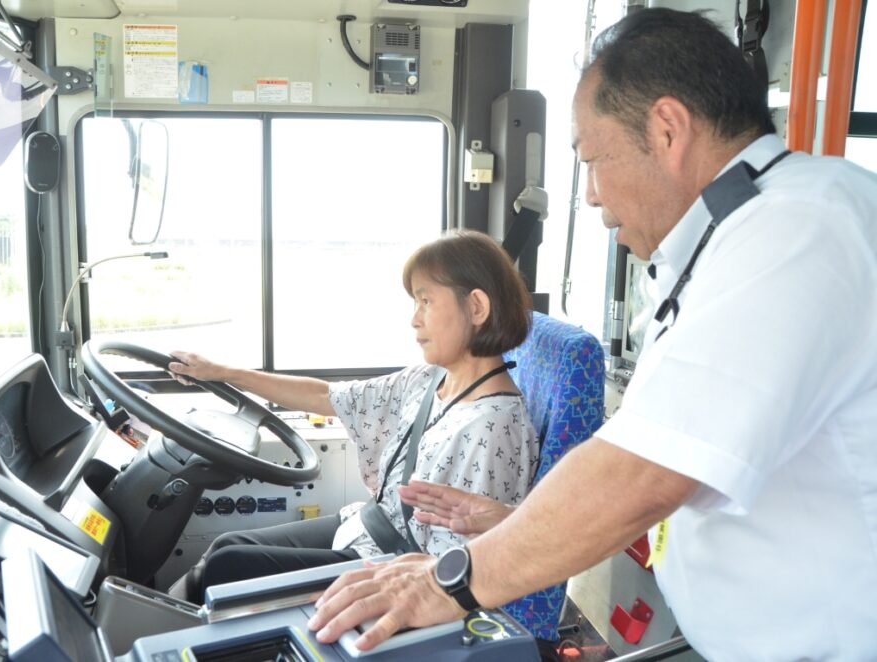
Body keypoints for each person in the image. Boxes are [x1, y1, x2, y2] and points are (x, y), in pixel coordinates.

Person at [307, 8, 877, 660]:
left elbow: (641, 473)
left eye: (594, 160)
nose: (593, 196)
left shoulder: (798, 230)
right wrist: (507, 526)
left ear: (667, 129)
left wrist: (454, 580)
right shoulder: (731, 239)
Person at [165, 230, 540, 603]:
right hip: (365, 527)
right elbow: (326, 396)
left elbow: (462, 566)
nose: (414, 319)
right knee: (227, 546)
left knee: (225, 569)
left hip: (395, 569)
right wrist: (223, 372)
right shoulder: (429, 379)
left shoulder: (495, 427)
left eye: (426, 301)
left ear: (476, 308)